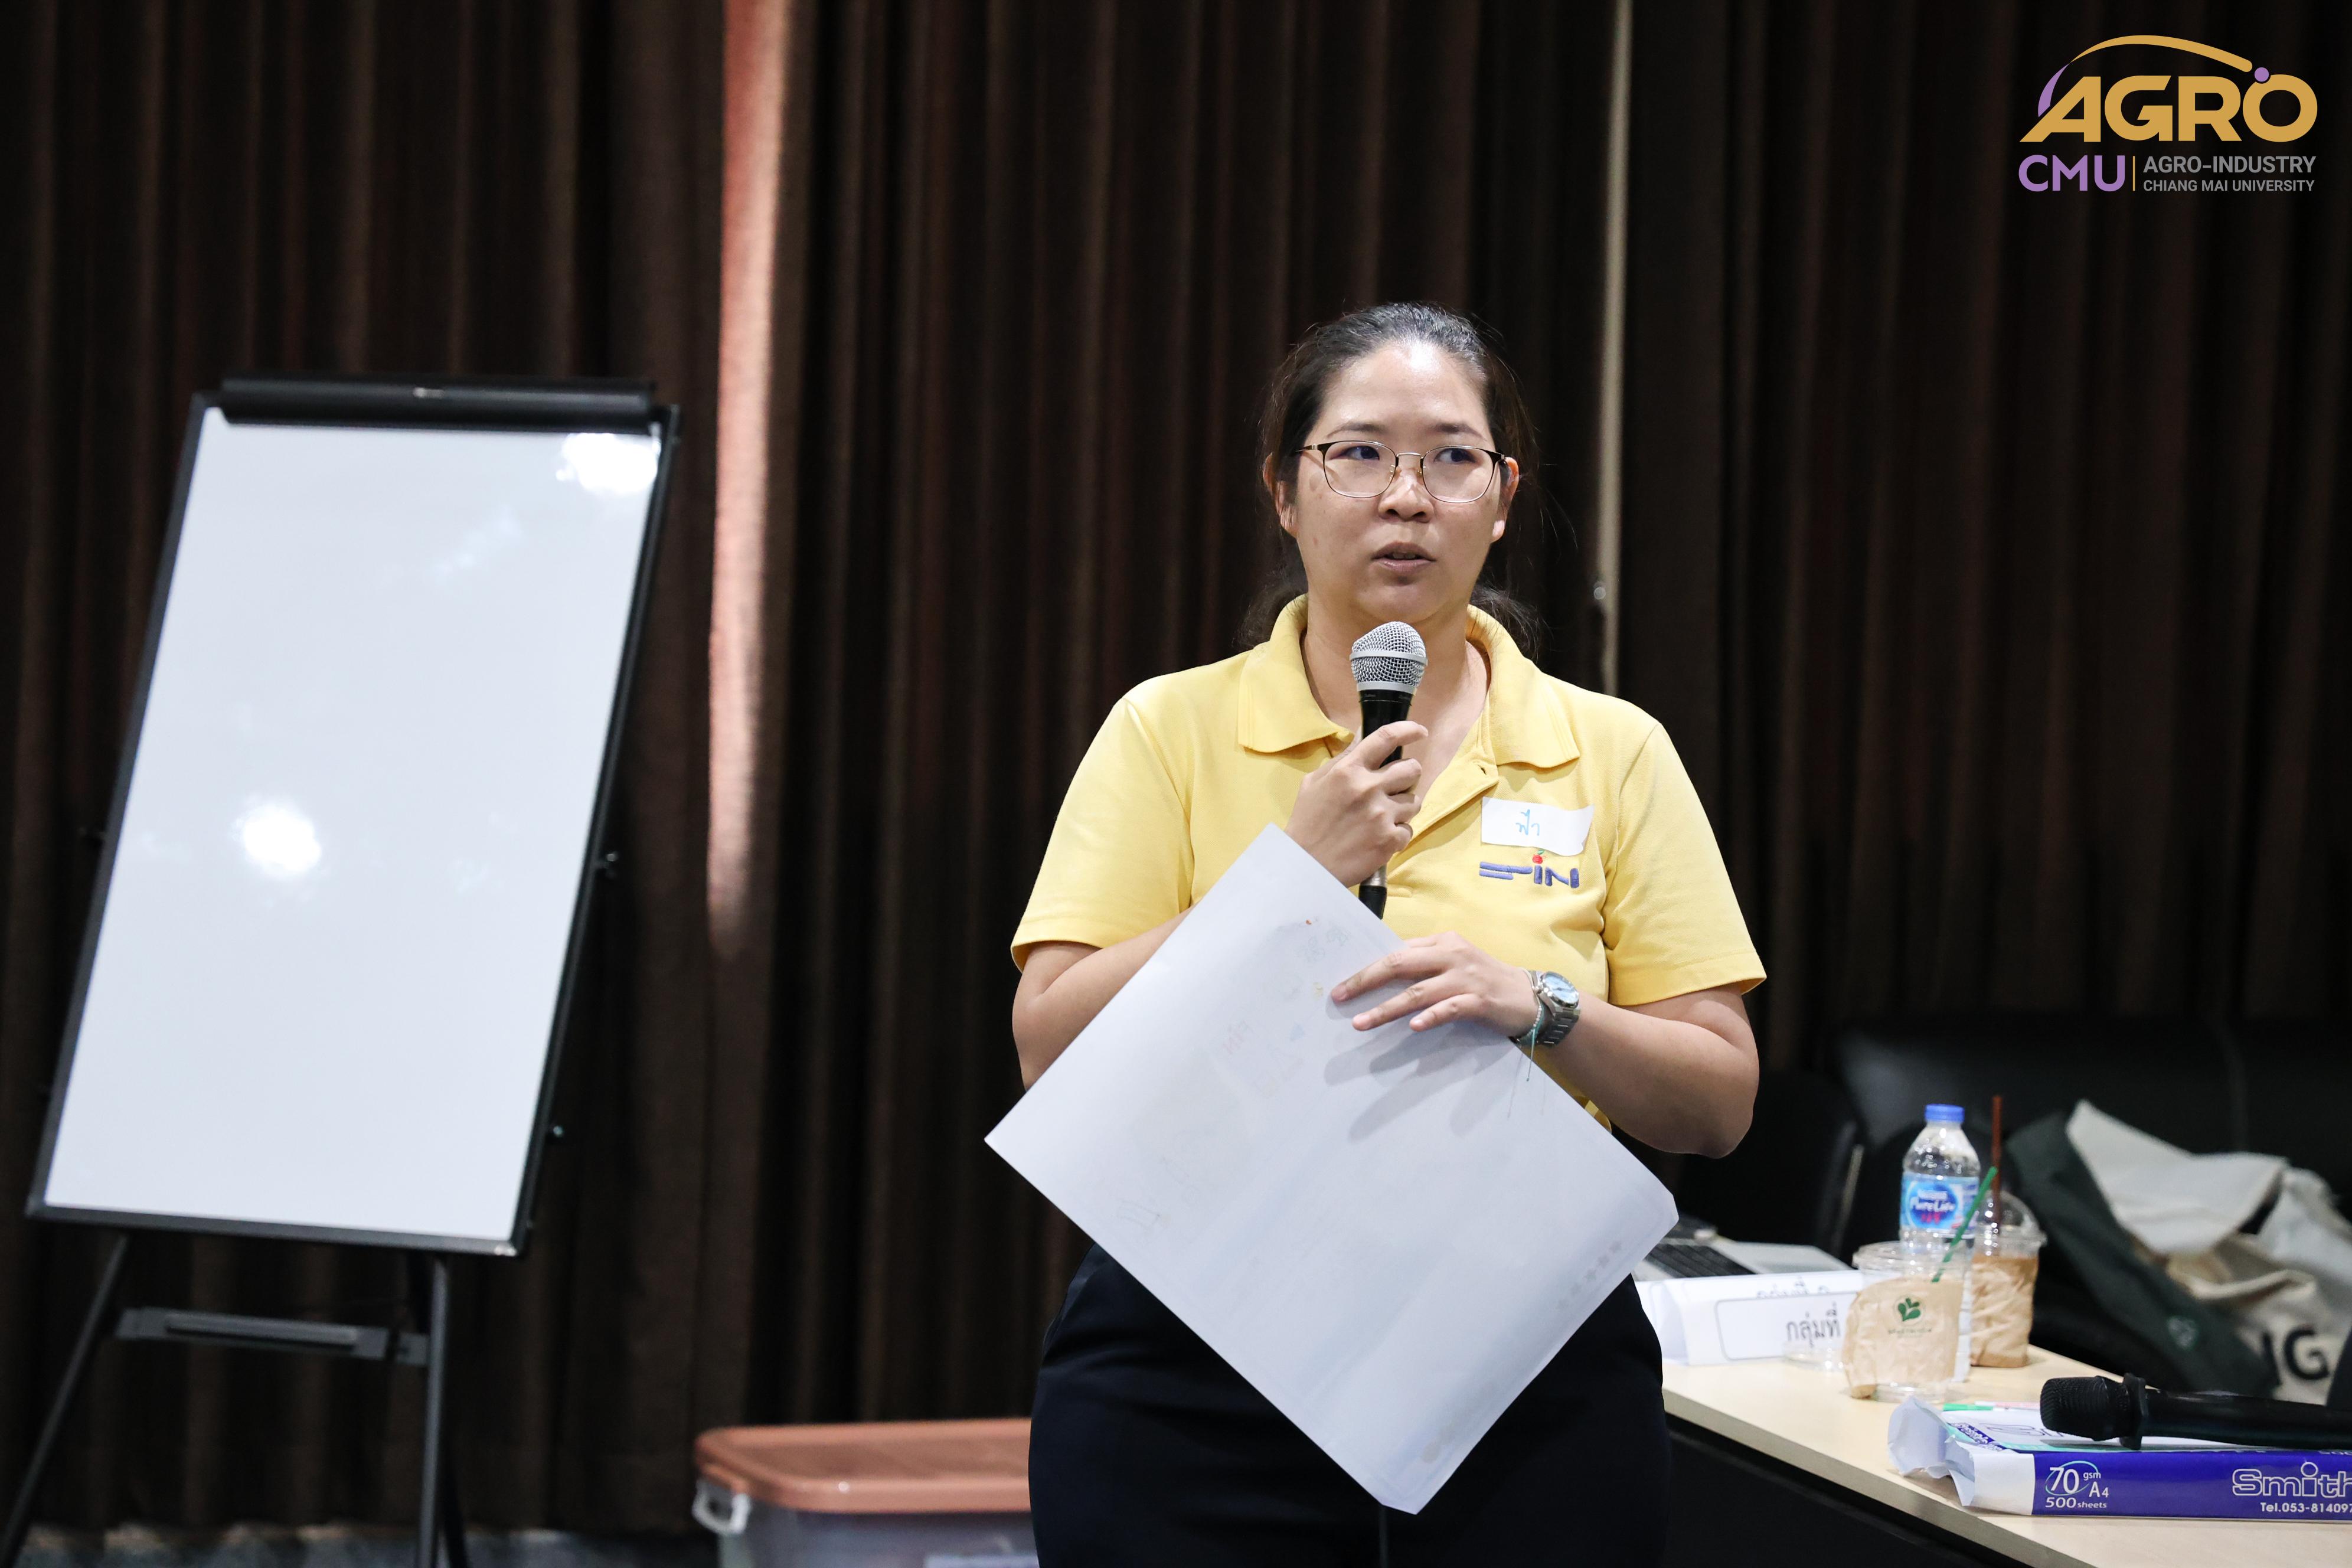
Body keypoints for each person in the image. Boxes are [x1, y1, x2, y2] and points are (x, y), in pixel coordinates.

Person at [1008, 302, 1765, 1565]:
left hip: (1524, 1353)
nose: (1407, 496)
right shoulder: (1167, 729)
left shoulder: (1614, 749)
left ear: (1503, 497)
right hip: (1197, 1342)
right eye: (1358, 453)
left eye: (1452, 457)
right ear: (1284, 490)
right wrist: (1281, 880)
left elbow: (1720, 1102)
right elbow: (1050, 1049)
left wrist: (1542, 1006)